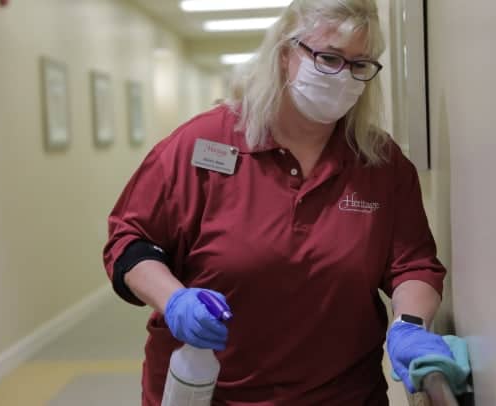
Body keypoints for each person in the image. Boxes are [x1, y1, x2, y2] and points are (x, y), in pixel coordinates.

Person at [103, 0, 454, 404]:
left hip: (342, 396)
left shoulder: (380, 163)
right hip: (209, 394)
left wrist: (409, 325)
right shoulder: (203, 145)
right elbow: (129, 240)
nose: (343, 77)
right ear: (286, 53)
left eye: (360, 65)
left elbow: (413, 263)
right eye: (328, 57)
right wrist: (173, 299)